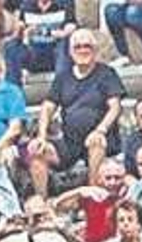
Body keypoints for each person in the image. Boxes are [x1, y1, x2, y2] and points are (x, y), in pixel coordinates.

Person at [27, 29, 124, 197]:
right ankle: (42, 205)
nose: (82, 50)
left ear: (95, 50)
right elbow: (48, 107)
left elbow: (115, 107)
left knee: (96, 143)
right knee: (37, 152)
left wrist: (100, 130)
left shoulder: (107, 74)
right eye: (77, 47)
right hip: (70, 142)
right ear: (71, 52)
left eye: (87, 46)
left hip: (101, 140)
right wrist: (41, 136)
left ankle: (92, 200)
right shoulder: (63, 77)